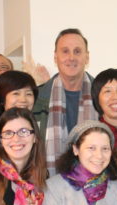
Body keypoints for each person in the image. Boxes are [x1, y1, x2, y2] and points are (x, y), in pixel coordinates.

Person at [33, 28, 98, 175]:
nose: (71, 57)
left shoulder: (101, 96)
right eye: (65, 51)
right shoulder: (37, 99)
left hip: (97, 187)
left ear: (87, 57)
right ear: (55, 57)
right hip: (49, 187)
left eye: (77, 51)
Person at [0, 70, 38, 147]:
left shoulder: (38, 126)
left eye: (28, 94)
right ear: (2, 99)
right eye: (16, 93)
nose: (23, 100)